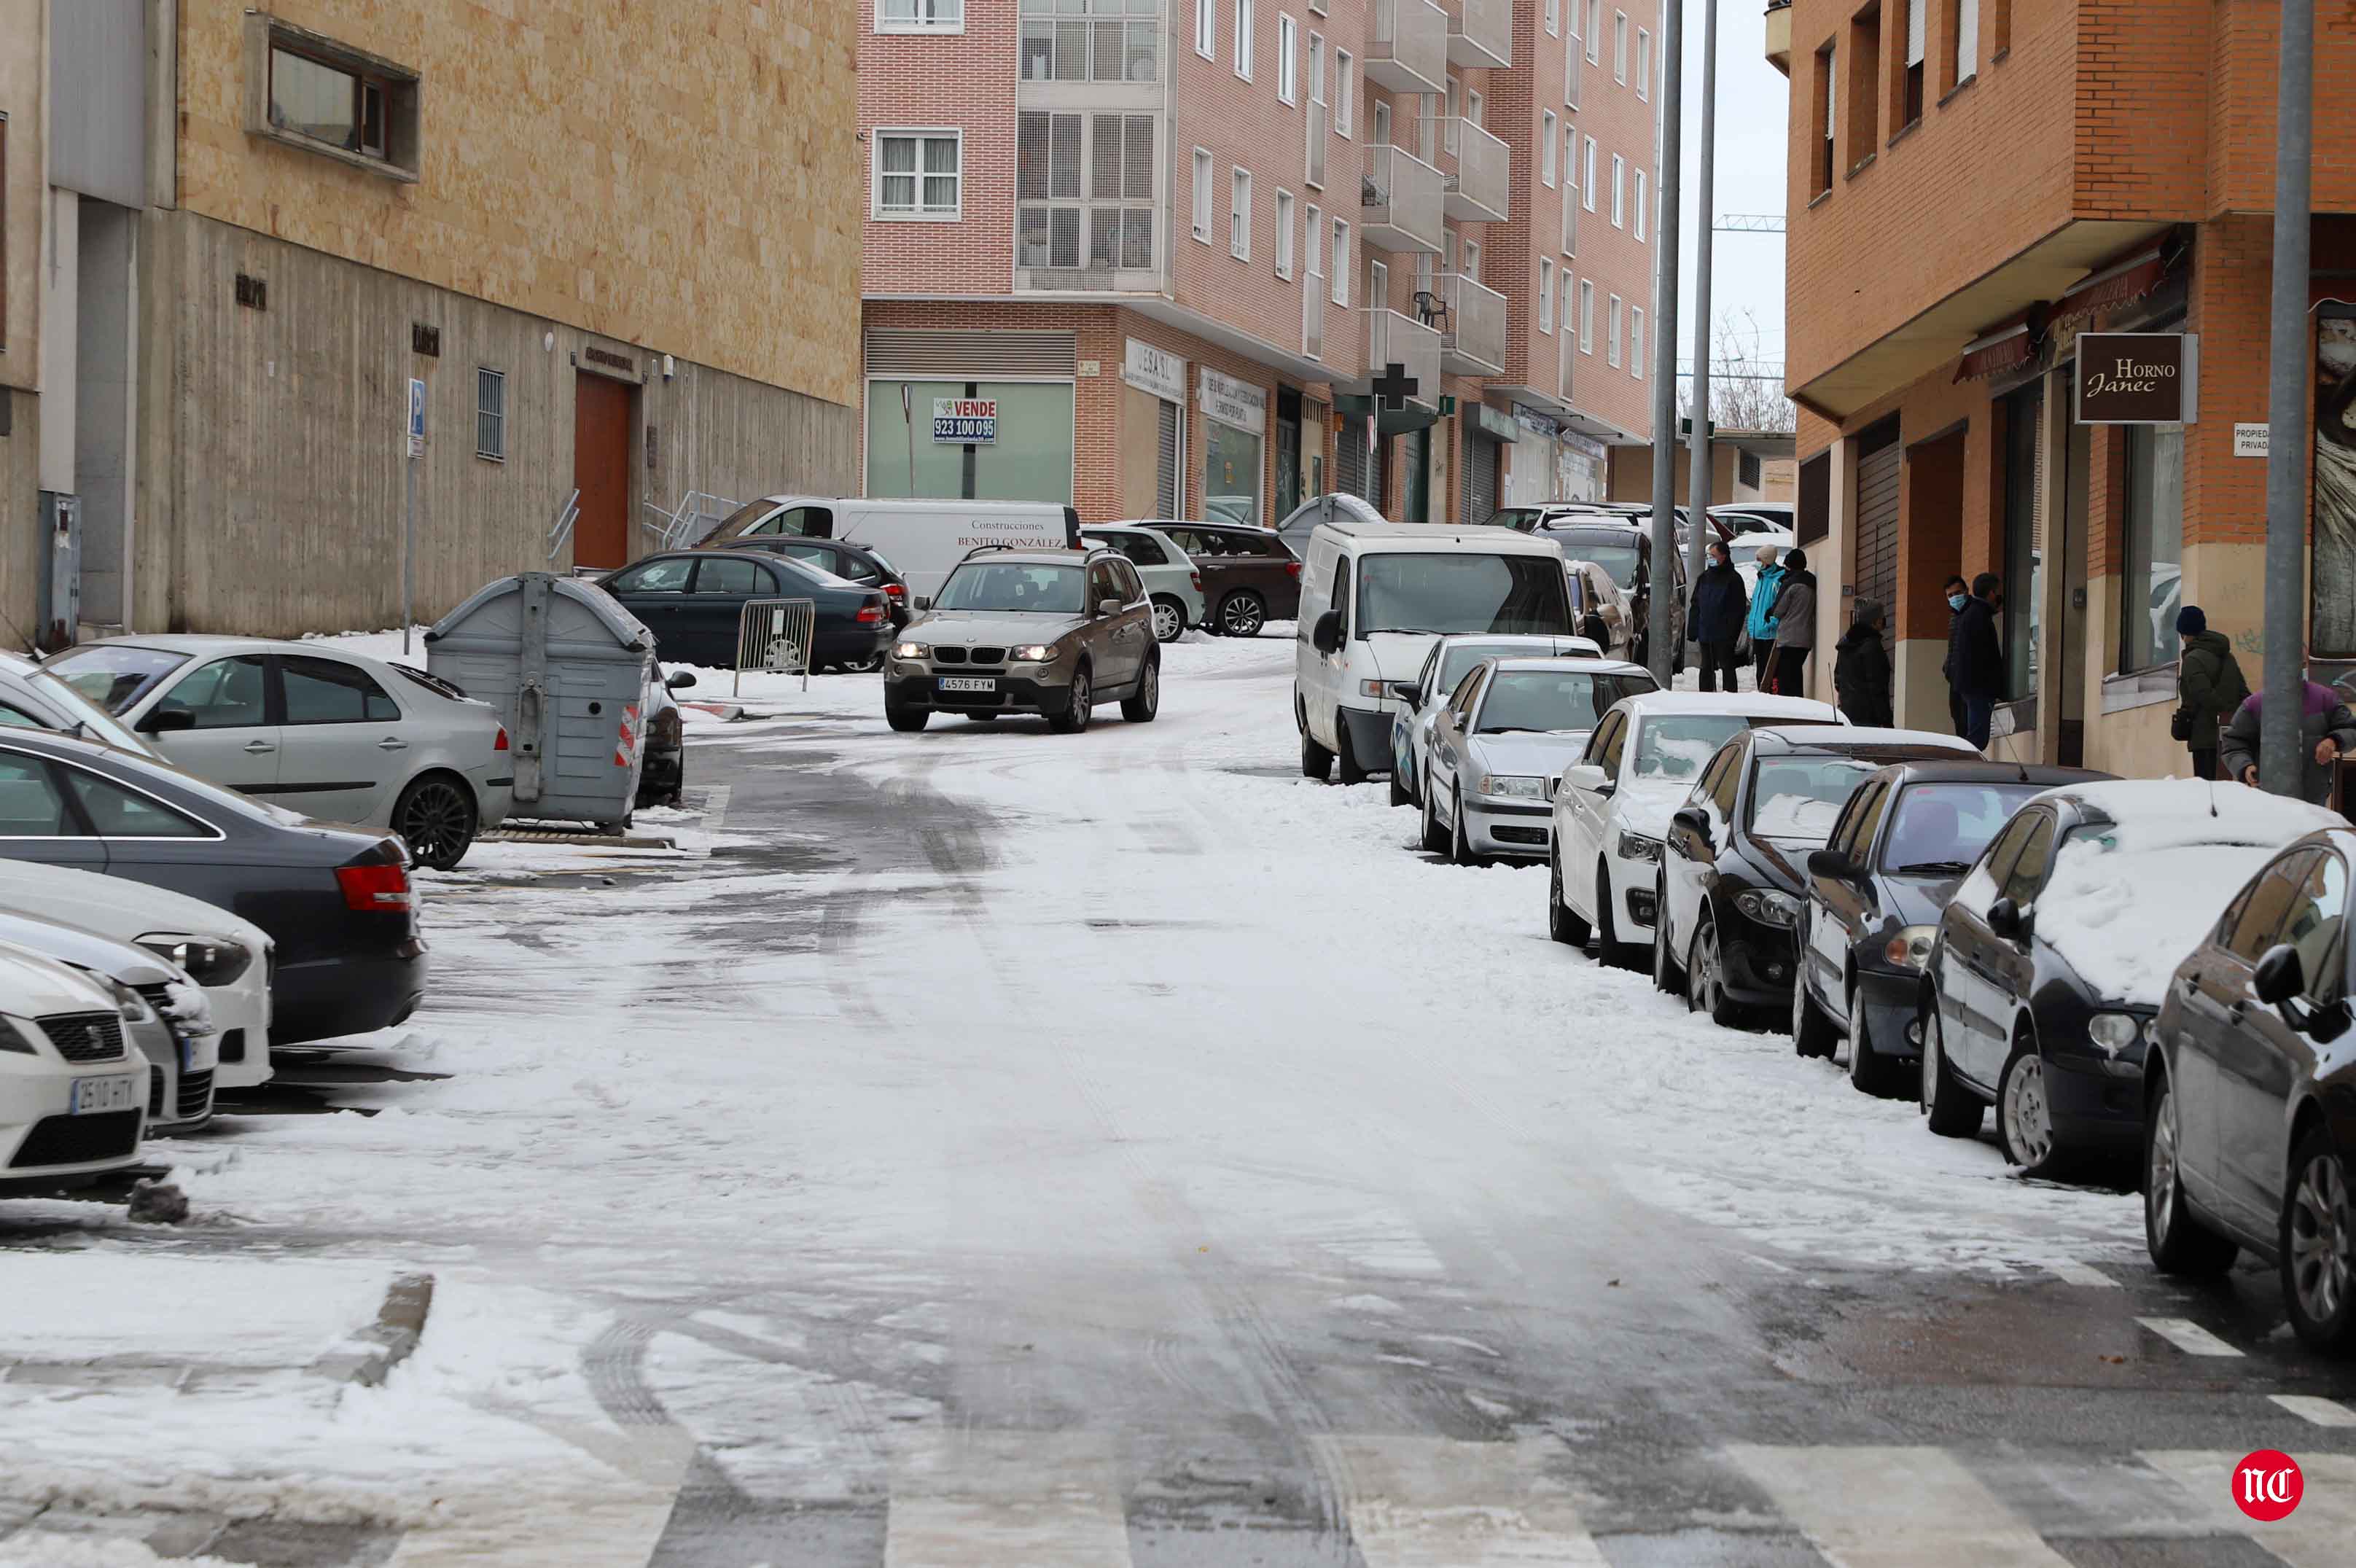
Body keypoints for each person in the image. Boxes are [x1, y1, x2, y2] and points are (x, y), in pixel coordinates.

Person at [2219, 679, 2356, 806]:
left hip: (2312, 798)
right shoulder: (2255, 704)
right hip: (2267, 797)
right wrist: (2245, 767)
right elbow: (2233, 742)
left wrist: (2333, 740)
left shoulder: (2325, 699)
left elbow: (2350, 729)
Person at [2173, 606, 2249, 781]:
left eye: (2182, 634)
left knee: (2207, 790)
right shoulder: (2227, 657)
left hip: (2204, 736)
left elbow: (2202, 694)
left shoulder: (2192, 659)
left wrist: (2217, 710)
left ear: (2186, 633)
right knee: (2226, 788)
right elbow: (2243, 693)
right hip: (2229, 734)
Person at [1950, 572, 2006, 749]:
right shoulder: (1979, 616)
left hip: (1971, 687)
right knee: (1977, 739)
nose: (1999, 596)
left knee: (1975, 736)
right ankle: (1968, 771)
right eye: (1998, 592)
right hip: (1978, 688)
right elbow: (1983, 655)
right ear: (1991, 593)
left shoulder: (1972, 614)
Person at [1686, 539, 1749, 693]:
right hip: (1705, 632)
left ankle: (1730, 698)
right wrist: (1693, 630)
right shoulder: (1705, 577)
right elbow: (1696, 604)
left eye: (1713, 555)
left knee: (1727, 667)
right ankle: (1705, 696)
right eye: (1709, 556)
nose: (1710, 559)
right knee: (1706, 667)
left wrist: (1731, 634)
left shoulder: (1734, 579)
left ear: (1724, 557)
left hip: (1724, 635)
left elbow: (1738, 610)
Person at [1834, 598, 1894, 726]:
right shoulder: (1872, 646)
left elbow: (1838, 680)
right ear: (1875, 621)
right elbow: (1877, 688)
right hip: (1869, 719)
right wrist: (1886, 721)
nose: (1883, 620)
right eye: (1881, 617)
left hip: (1848, 716)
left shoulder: (1845, 645)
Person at [1768, 548, 1818, 697]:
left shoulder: (1791, 583)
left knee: (1786, 680)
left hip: (1789, 639)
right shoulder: (1811, 581)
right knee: (1796, 676)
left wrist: (1769, 611)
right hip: (1805, 638)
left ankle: (1790, 710)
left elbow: (1778, 611)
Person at [1746, 545, 1786, 690]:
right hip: (1758, 633)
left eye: (1759, 559)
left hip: (1770, 634)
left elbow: (1779, 606)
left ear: (1767, 560)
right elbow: (1756, 605)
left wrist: (1769, 624)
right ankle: (1762, 695)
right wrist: (1752, 625)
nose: (1757, 562)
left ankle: (1771, 696)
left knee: (1771, 671)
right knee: (1761, 671)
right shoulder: (1761, 578)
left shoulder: (1778, 579)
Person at [1938, 574, 1971, 736]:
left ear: (1966, 591)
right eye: (1950, 596)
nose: (1954, 598)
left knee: (1968, 725)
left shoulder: (1972, 614)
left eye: (1958, 593)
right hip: (1955, 680)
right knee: (1958, 720)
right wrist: (1948, 669)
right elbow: (1952, 648)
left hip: (1968, 682)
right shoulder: (1954, 617)